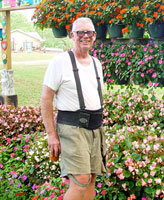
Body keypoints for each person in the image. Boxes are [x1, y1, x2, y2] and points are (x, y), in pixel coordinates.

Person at [41, 17, 106, 200]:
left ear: (94, 36)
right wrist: (51, 135)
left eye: (90, 32)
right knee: (80, 179)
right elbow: (46, 98)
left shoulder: (96, 63)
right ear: (72, 35)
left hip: (95, 127)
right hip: (72, 127)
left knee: (92, 177)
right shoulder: (60, 62)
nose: (85, 36)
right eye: (80, 32)